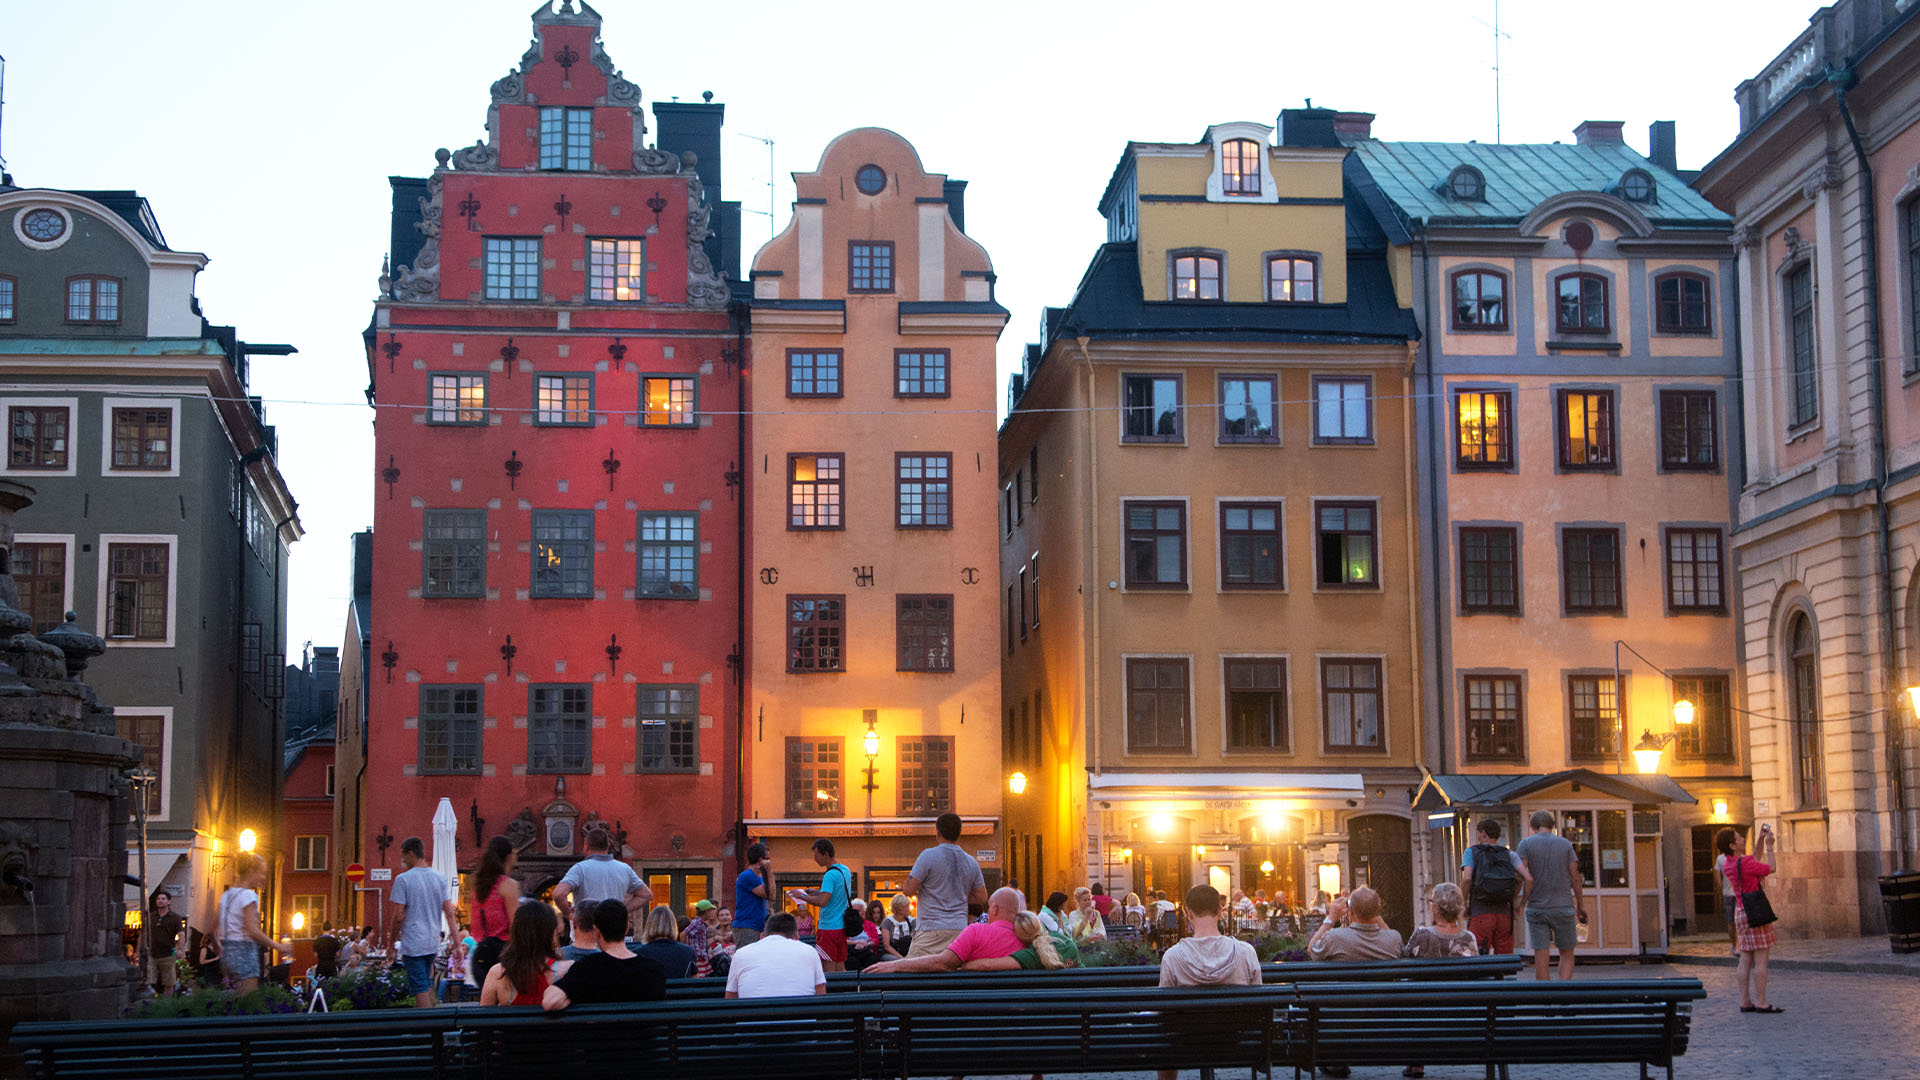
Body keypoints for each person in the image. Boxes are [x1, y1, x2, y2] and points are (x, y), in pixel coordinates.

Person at [1155, 884, 1262, 1080]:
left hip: (1185, 1044)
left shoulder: (1172, 957)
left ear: (1189, 913)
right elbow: (1259, 1005)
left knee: (1166, 1036)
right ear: (1220, 911)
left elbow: (1164, 1011)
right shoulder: (1246, 952)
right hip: (1238, 1042)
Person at [1397, 883, 1480, 1079]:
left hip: (1423, 1015)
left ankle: (1416, 1064)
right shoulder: (1469, 938)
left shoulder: (1421, 935)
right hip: (1462, 1014)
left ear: (1436, 908)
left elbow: (1403, 960)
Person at [863, 887, 1025, 973]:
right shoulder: (1028, 939)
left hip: (972, 1016)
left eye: (989, 907)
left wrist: (895, 965)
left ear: (995, 909)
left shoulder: (975, 931)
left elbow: (942, 963)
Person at [542, 899, 667, 1010]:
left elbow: (550, 1001)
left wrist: (570, 998)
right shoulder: (654, 969)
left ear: (596, 931)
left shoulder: (586, 968)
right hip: (645, 1036)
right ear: (626, 928)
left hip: (599, 1036)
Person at [902, 813, 989, 960]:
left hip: (930, 929)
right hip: (959, 929)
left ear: (937, 832)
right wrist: (957, 896)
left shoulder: (928, 856)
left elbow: (908, 890)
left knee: (910, 972)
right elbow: (982, 897)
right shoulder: (971, 861)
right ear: (959, 833)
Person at [388, 835, 462, 1008]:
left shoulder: (403, 879)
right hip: (432, 942)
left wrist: (390, 943)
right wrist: (457, 944)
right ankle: (435, 1024)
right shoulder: (439, 878)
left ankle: (427, 1027)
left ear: (411, 853)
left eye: (403, 855)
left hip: (413, 942)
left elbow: (398, 916)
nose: (403, 860)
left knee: (420, 987)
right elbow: (450, 913)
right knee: (427, 984)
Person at [1517, 809, 1586, 981]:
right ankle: (1563, 990)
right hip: (1563, 906)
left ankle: (1544, 995)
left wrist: (1521, 902)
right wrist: (1580, 905)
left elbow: (1522, 876)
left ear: (1532, 826)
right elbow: (1575, 877)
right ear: (1553, 826)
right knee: (1567, 952)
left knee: (1541, 955)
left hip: (1537, 908)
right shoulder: (1565, 845)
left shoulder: (1525, 845)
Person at [1721, 825, 1782, 1013]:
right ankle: (1762, 1001)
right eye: (1738, 838)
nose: (1742, 839)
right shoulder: (1744, 864)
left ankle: (1745, 1001)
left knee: (1745, 957)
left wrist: (1760, 840)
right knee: (1762, 958)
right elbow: (1771, 868)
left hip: (1741, 911)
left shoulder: (1729, 864)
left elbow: (1752, 858)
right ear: (1732, 845)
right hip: (1756, 912)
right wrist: (1770, 846)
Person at [216, 853, 291, 993]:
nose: (263, 878)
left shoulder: (226, 895)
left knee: (233, 999)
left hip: (228, 950)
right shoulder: (248, 895)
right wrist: (278, 946)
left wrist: (218, 946)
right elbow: (252, 930)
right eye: (261, 873)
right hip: (244, 950)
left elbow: (211, 927)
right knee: (248, 1001)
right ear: (251, 871)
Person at [1460, 817, 1532, 956]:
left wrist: (1464, 904)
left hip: (1480, 913)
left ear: (1484, 834)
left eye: (1478, 834)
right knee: (1504, 960)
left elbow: (1467, 879)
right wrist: (1518, 904)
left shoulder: (1471, 852)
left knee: (1477, 960)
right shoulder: (1509, 855)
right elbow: (1527, 879)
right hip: (1504, 915)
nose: (1478, 838)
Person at [552, 829, 651, 925]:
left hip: (587, 932)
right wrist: (621, 909)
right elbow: (646, 894)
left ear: (586, 846)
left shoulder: (580, 869)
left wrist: (568, 913)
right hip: (613, 932)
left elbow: (558, 894)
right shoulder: (625, 869)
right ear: (608, 846)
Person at [787, 838, 856, 972]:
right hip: (842, 927)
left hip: (828, 927)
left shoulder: (829, 875)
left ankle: (830, 992)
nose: (815, 859)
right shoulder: (845, 870)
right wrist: (815, 892)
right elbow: (835, 893)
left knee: (827, 968)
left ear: (825, 854)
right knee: (840, 966)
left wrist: (801, 896)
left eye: (816, 855)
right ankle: (847, 991)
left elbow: (822, 902)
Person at [725, 912, 827, 998]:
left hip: (753, 1020)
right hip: (800, 1020)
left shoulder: (741, 954)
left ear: (762, 936)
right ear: (796, 938)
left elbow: (730, 997)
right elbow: (821, 994)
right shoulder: (810, 952)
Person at [480, 901, 564, 1006]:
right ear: (550, 932)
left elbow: (484, 1017)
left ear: (515, 931)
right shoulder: (565, 971)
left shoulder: (498, 973)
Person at [469, 835, 521, 987]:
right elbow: (515, 925)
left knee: (487, 1005)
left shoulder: (479, 886)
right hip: (503, 955)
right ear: (509, 856)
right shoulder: (508, 885)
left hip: (480, 955)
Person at [1307, 887, 1404, 962]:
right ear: (1378, 912)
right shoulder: (1394, 939)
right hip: (1384, 988)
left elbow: (1311, 950)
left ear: (1351, 912)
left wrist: (1331, 918)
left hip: (1345, 988)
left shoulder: (1335, 938)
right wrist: (1375, 913)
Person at [961, 910, 1076, 970]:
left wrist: (962, 966)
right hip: (1078, 1001)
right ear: (1038, 924)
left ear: (1019, 935)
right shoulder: (1061, 939)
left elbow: (987, 965)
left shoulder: (1030, 955)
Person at [637, 904, 697, 979]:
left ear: (649, 925)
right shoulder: (688, 952)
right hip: (678, 990)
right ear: (673, 925)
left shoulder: (638, 954)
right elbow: (694, 981)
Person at [734, 843, 774, 948]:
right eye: (768, 859)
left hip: (756, 927)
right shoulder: (747, 876)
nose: (770, 862)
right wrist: (769, 871)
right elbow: (771, 895)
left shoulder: (757, 878)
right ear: (760, 860)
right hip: (747, 927)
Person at [147, 889, 186, 995]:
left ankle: (166, 1005)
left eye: (163, 899)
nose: (160, 901)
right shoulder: (151, 917)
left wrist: (180, 949)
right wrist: (137, 950)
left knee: (169, 983)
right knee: (149, 981)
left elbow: (181, 934)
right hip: (152, 954)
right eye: (158, 899)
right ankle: (151, 1003)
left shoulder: (175, 917)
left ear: (169, 901)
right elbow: (143, 933)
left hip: (168, 954)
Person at [684, 899, 716, 976]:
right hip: (697, 958)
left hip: (702, 957)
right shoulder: (696, 923)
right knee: (699, 980)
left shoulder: (701, 924)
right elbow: (683, 934)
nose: (713, 912)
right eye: (711, 910)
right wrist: (684, 949)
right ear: (706, 912)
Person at [880, 894, 915, 958]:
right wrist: (901, 958)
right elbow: (886, 946)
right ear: (899, 908)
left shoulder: (912, 921)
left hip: (910, 953)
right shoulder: (887, 922)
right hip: (892, 954)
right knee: (894, 959)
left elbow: (916, 941)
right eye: (906, 906)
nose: (909, 908)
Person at [441, 937, 469, 1002]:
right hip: (451, 979)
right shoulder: (451, 959)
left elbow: (466, 971)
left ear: (466, 952)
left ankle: (462, 1000)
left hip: (462, 979)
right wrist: (460, 969)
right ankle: (440, 999)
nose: (461, 951)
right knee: (443, 981)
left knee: (467, 982)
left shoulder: (466, 960)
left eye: (463, 950)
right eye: (460, 949)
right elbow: (451, 969)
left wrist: (458, 967)